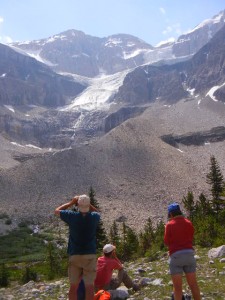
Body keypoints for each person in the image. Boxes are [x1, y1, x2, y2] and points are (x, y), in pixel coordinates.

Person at [54, 194, 100, 300]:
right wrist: (88, 203)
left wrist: (71, 202)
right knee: (89, 286)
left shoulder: (72, 216)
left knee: (73, 286)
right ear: (88, 206)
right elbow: (97, 211)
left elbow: (57, 211)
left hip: (74, 254)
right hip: (89, 254)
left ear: (78, 205)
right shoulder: (94, 217)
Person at [164, 202, 201, 300]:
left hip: (176, 256)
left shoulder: (169, 225)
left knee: (177, 287)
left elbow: (166, 241)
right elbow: (191, 236)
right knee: (193, 285)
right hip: (189, 254)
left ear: (171, 214)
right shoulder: (188, 222)